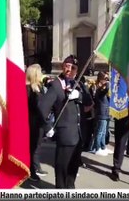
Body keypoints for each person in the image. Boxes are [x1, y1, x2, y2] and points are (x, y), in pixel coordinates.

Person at [38, 55, 82, 189]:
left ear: (77, 70)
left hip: (78, 135)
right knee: (62, 170)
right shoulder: (56, 85)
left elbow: (88, 101)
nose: (69, 70)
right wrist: (48, 127)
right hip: (65, 135)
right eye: (67, 66)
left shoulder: (78, 83)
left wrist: (79, 95)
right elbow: (42, 107)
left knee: (72, 170)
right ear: (63, 67)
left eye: (73, 68)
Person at [25, 64, 49, 181]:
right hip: (32, 122)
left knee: (36, 147)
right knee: (32, 147)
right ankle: (31, 171)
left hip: (37, 122)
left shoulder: (37, 87)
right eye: (39, 72)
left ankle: (36, 166)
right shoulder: (28, 89)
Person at [91, 71, 112, 156]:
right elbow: (106, 89)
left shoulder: (102, 88)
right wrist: (108, 82)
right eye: (105, 78)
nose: (106, 80)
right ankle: (97, 147)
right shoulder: (98, 89)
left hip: (106, 113)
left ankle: (103, 147)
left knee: (104, 132)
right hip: (101, 113)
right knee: (100, 131)